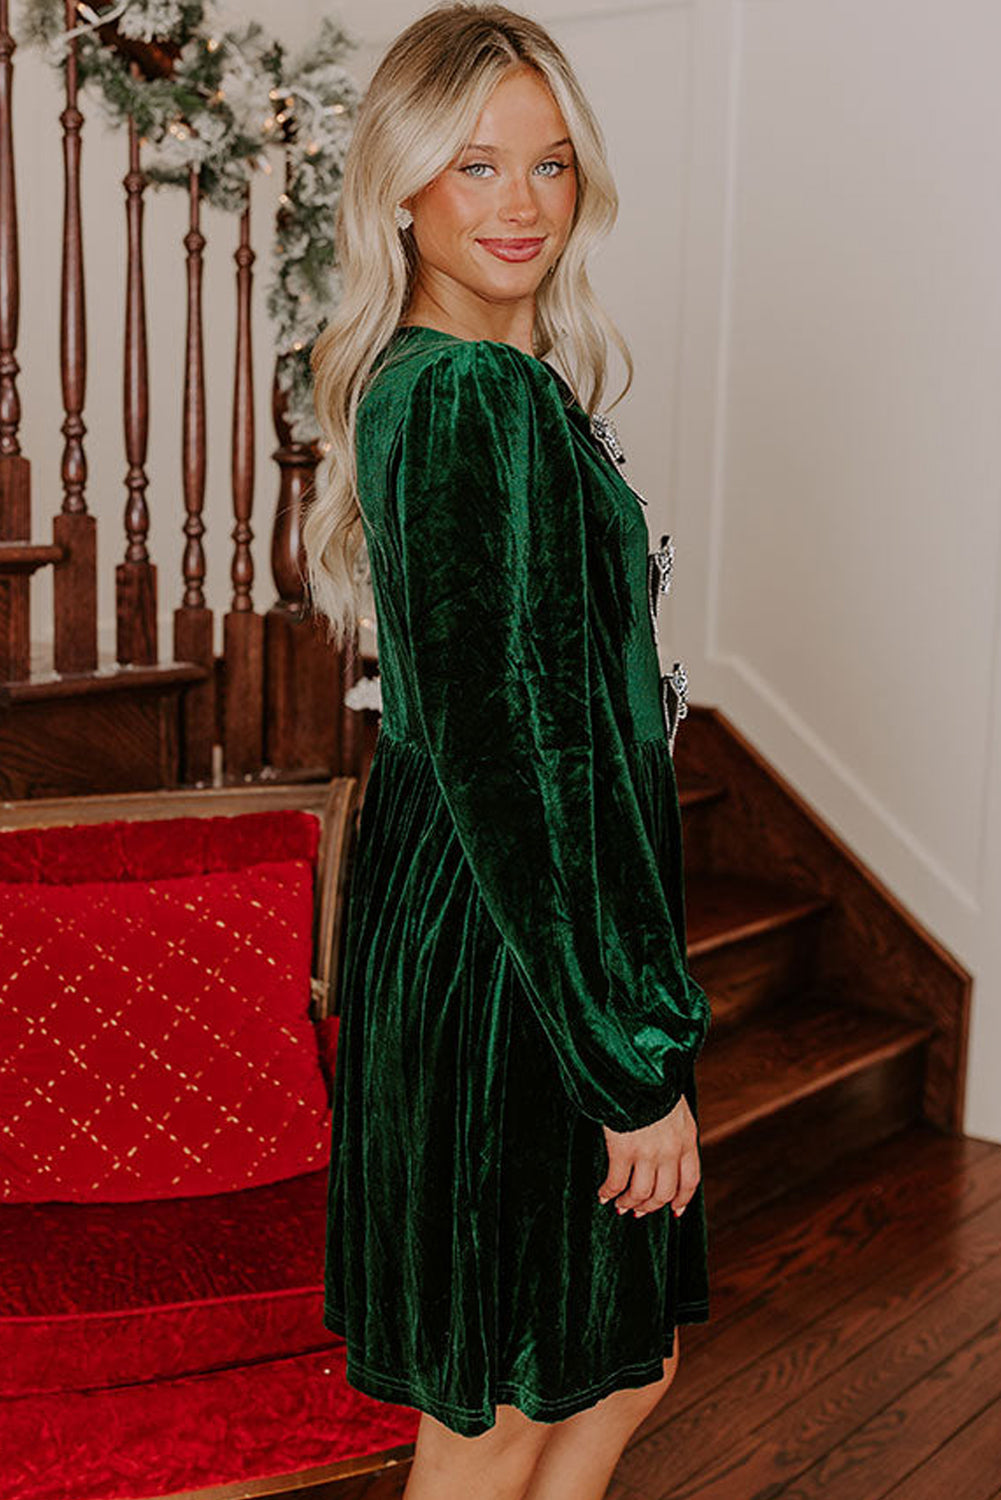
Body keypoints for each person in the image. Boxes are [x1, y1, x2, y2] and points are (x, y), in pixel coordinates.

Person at [303, 6, 713, 1497]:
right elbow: (513, 771)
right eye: (474, 165)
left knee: (616, 1366)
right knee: (507, 1403)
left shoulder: (481, 382)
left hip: (504, 931)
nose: (520, 203)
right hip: (511, 957)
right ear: (402, 185)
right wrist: (626, 1062)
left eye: (548, 163)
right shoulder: (466, 396)